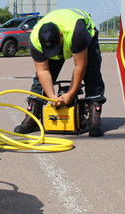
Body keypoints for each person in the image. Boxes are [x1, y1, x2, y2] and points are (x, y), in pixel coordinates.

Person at [13, 8, 106, 137]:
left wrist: (71, 93)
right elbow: (43, 71)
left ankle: (94, 120)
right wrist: (51, 96)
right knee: (39, 81)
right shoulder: (35, 39)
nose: (54, 53)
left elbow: (80, 66)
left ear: (61, 34)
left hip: (85, 36)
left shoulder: (76, 31)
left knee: (91, 72)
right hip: (62, 39)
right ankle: (32, 118)